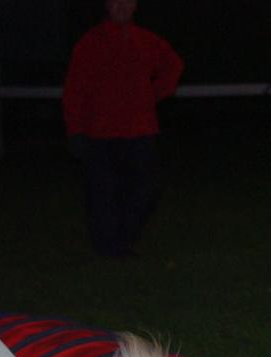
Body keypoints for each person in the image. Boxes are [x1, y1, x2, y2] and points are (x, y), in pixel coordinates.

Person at [62, 0, 183, 257]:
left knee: (144, 190)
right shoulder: (90, 43)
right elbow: (74, 91)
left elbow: (173, 65)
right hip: (99, 133)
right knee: (102, 194)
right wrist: (76, 130)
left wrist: (154, 94)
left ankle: (124, 239)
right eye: (116, 2)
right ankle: (107, 248)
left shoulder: (145, 40)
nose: (122, 7)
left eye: (127, 2)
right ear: (106, 6)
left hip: (140, 131)